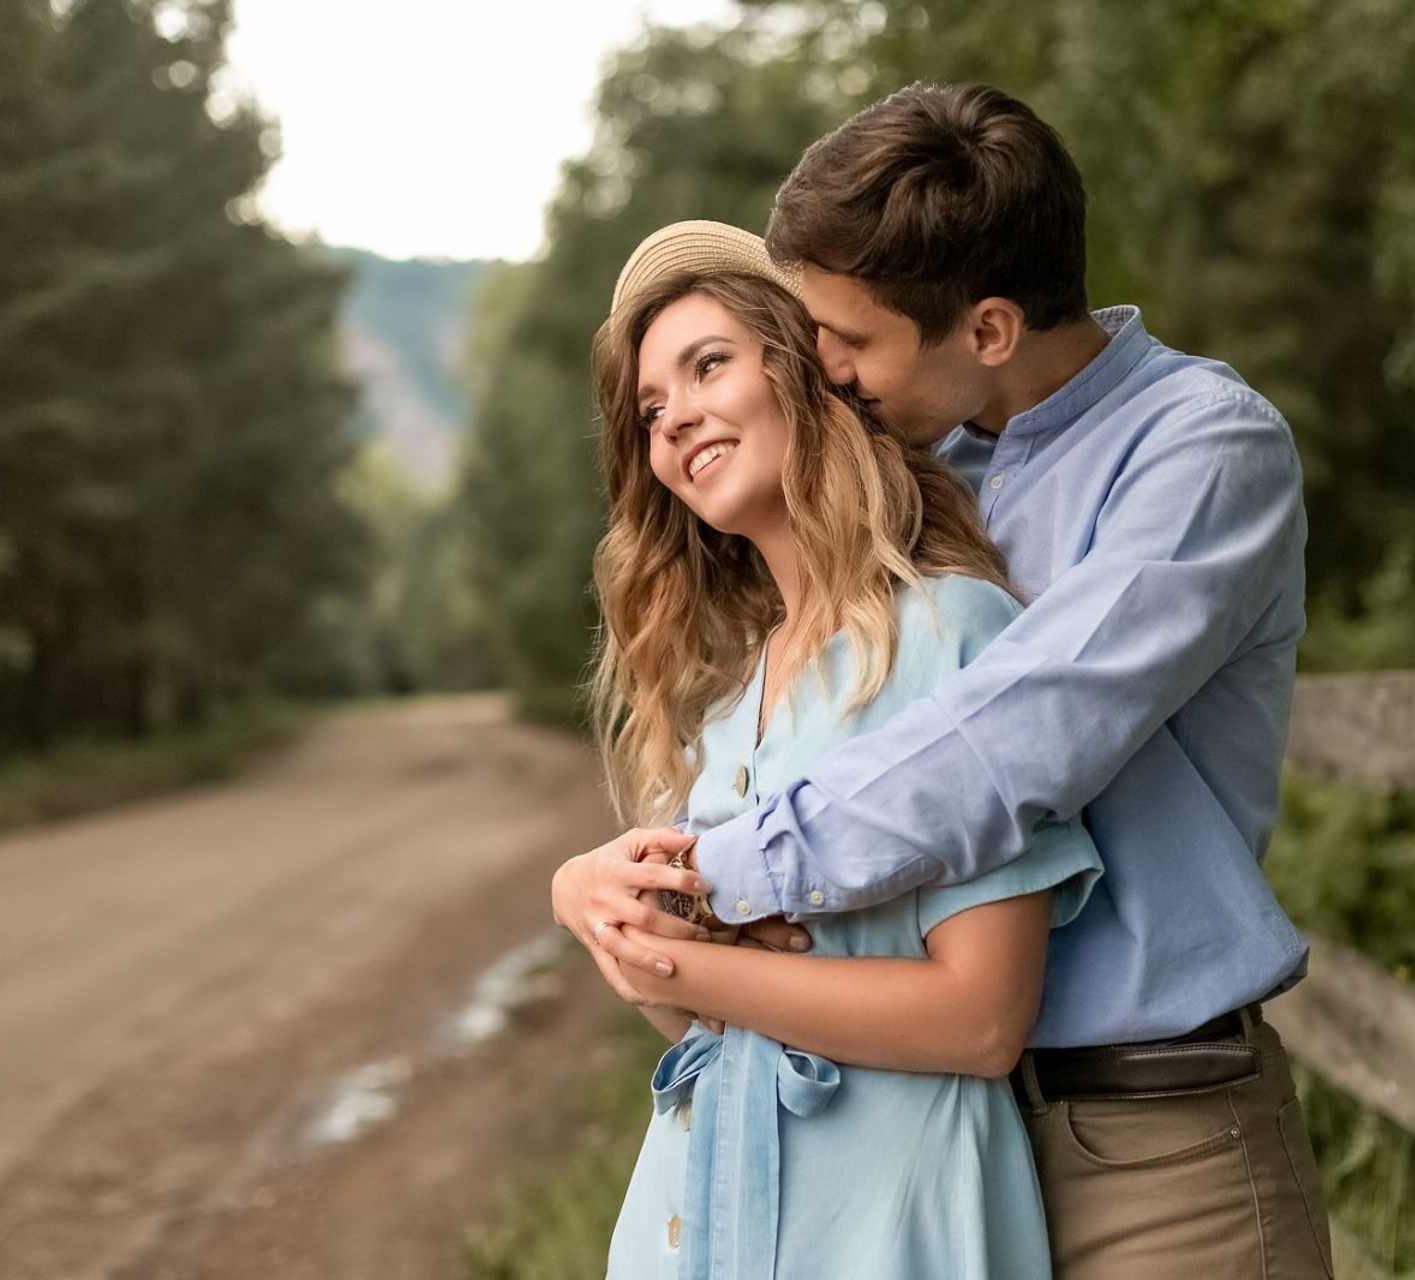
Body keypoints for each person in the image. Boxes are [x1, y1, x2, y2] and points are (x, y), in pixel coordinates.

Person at [556, 83, 1335, 1277]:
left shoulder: (1199, 448)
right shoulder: (930, 480)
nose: (827, 369)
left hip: (1150, 1134)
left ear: (988, 329)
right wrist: (609, 891)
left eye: (849, 341)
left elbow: (1023, 732)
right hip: (940, 1134)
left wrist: (720, 873)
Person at [581, 223, 1101, 1279]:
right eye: (649, 409)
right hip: (696, 1220)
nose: (674, 416)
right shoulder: (731, 706)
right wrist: (587, 899)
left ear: (805, 370)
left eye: (708, 364)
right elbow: (700, 1019)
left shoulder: (951, 632)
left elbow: (980, 1019)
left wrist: (678, 959)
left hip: (886, 1227)